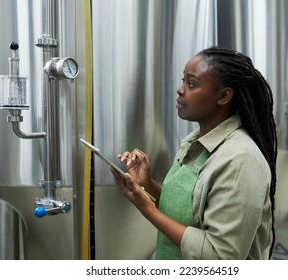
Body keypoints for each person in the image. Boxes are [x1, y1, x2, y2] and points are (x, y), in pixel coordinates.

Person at [110, 46, 278, 260]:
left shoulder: (239, 159)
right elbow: (192, 215)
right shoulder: (195, 142)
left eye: (192, 84)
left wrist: (147, 209)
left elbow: (221, 257)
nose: (180, 90)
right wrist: (147, 185)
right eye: (183, 81)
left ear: (224, 96)